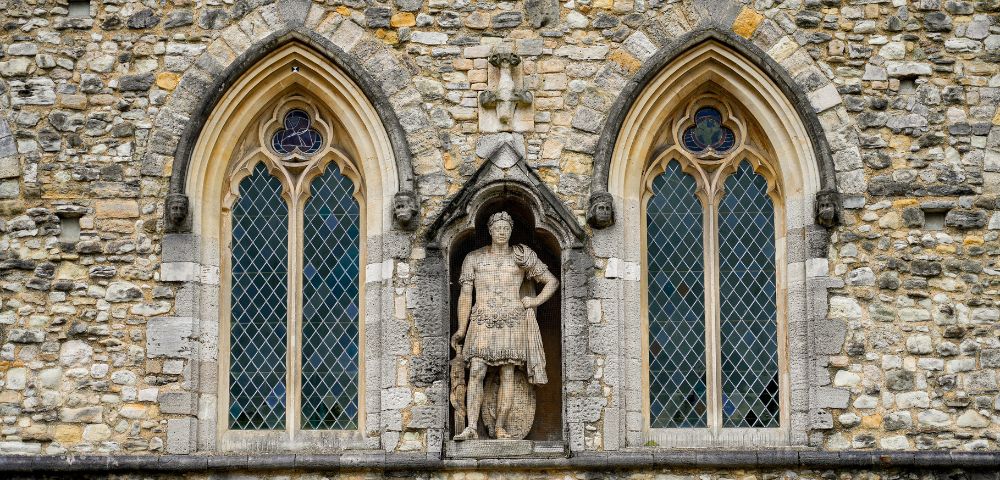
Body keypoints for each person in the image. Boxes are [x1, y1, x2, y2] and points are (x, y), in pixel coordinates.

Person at [450, 211, 558, 440]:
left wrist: (534, 301)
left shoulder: (521, 257)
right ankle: (471, 427)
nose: (501, 232)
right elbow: (465, 295)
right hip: (481, 320)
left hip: (512, 321)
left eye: (506, 228)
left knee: (508, 374)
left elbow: (551, 281)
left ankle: (500, 427)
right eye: (497, 228)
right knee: (477, 370)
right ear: (490, 230)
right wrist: (461, 328)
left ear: (511, 230)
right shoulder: (474, 258)